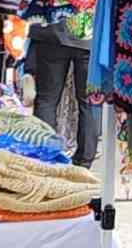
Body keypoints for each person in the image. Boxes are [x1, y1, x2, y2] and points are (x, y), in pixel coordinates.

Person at [28, 17, 101, 166]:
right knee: (90, 102)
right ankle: (84, 162)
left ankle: (45, 157)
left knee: (46, 100)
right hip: (90, 36)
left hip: (53, 33)